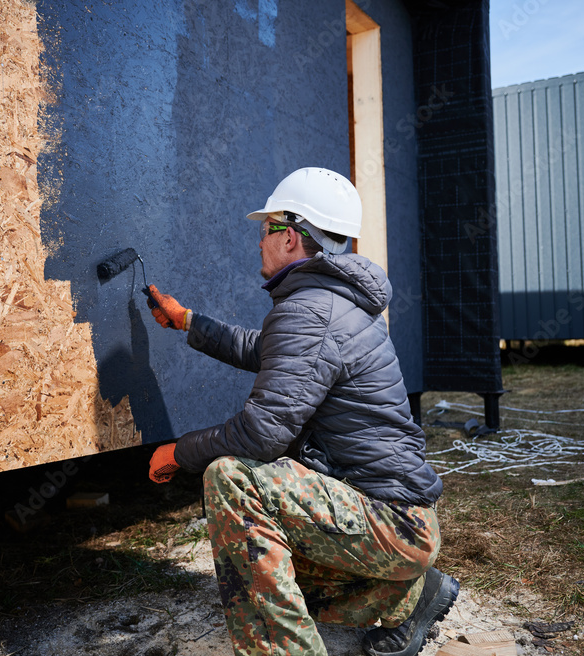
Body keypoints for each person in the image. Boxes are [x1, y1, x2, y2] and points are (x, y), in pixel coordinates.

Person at [145, 167, 458, 656]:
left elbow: (261, 434)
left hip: (391, 522)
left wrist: (180, 452)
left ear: (289, 236)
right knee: (277, 581)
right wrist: (189, 322)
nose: (260, 240)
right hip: (399, 518)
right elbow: (271, 349)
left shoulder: (310, 310)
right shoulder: (329, 303)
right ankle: (410, 595)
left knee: (231, 477)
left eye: (265, 227)